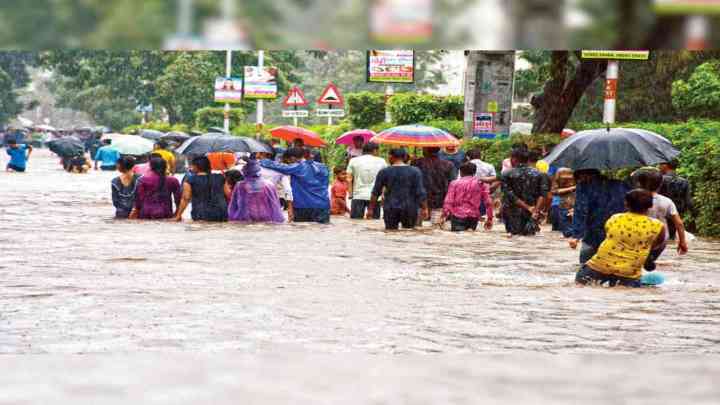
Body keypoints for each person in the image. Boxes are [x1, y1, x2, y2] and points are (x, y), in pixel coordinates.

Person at [575, 189, 666, 288]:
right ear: (651, 205)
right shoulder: (657, 226)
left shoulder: (615, 218)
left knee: (581, 285)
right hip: (628, 274)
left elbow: (609, 234)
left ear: (626, 204)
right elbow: (658, 243)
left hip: (596, 268)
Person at [568, 169, 630, 264]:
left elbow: (581, 209)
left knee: (585, 268)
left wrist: (576, 235)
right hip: (617, 233)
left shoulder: (584, 187)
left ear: (583, 176)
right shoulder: (621, 185)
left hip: (593, 235)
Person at [634, 168, 689, 270]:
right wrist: (682, 242)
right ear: (660, 185)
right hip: (660, 239)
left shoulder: (634, 198)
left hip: (637, 237)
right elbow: (679, 223)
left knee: (635, 262)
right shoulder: (667, 201)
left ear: (639, 184)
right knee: (647, 260)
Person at [259, 147, 331, 224]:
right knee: (321, 230)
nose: (288, 163)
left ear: (293, 158)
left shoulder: (298, 167)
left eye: (288, 161)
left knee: (301, 232)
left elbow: (281, 167)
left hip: (303, 206)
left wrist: (263, 161)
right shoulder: (323, 167)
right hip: (323, 206)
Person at [369, 148, 428, 230]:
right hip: (410, 208)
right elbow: (420, 192)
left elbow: (375, 192)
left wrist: (370, 209)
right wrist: (425, 208)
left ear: (390, 157)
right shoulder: (415, 171)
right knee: (409, 233)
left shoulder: (384, 172)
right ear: (404, 157)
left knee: (390, 233)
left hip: (390, 208)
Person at [500, 148, 548, 236]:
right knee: (529, 237)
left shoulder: (506, 174)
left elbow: (509, 194)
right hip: (532, 213)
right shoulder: (540, 174)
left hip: (512, 212)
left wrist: (527, 207)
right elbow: (543, 195)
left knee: (512, 238)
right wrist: (535, 211)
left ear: (514, 159)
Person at [228, 158, 285, 223]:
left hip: (246, 216)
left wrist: (232, 218)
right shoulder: (269, 185)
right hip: (266, 216)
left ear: (244, 172)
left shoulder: (240, 185)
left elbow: (233, 205)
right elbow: (275, 204)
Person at [442, 162, 494, 232]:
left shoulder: (454, 183)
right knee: (470, 236)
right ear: (474, 172)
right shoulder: (482, 184)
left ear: (460, 172)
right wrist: (490, 218)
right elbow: (488, 202)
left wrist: (444, 214)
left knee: (458, 237)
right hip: (473, 216)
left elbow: (448, 201)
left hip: (457, 215)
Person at [174, 156, 228, 222]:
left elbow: (186, 198)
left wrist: (178, 215)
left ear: (196, 167)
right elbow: (228, 194)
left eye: (192, 165)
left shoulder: (190, 180)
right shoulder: (220, 177)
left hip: (201, 214)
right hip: (221, 213)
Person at [411, 147, 455, 227]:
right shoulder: (448, 164)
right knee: (436, 228)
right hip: (439, 201)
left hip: (420, 201)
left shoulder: (417, 163)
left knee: (415, 228)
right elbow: (452, 184)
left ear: (425, 150)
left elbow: (411, 182)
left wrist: (412, 162)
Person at [346, 142, 387, 220]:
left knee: (355, 223)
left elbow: (349, 179)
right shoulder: (382, 161)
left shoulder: (353, 161)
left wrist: (351, 194)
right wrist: (383, 195)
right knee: (374, 224)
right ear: (374, 150)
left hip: (358, 195)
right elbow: (385, 181)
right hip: (375, 197)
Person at [659, 159, 692, 240]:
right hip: (677, 212)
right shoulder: (684, 181)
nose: (659, 167)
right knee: (672, 235)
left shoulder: (659, 179)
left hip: (662, 211)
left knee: (661, 236)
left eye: (660, 164)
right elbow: (688, 201)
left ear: (665, 166)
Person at [256, 151, 294, 222]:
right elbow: (287, 189)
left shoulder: (252, 167)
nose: (256, 154)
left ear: (263, 153)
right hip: (272, 201)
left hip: (254, 201)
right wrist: (290, 208)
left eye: (257, 152)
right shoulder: (280, 168)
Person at [550, 168, 576, 237]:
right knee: (567, 233)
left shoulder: (580, 172)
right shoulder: (560, 171)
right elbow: (554, 191)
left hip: (578, 206)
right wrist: (571, 188)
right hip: (564, 206)